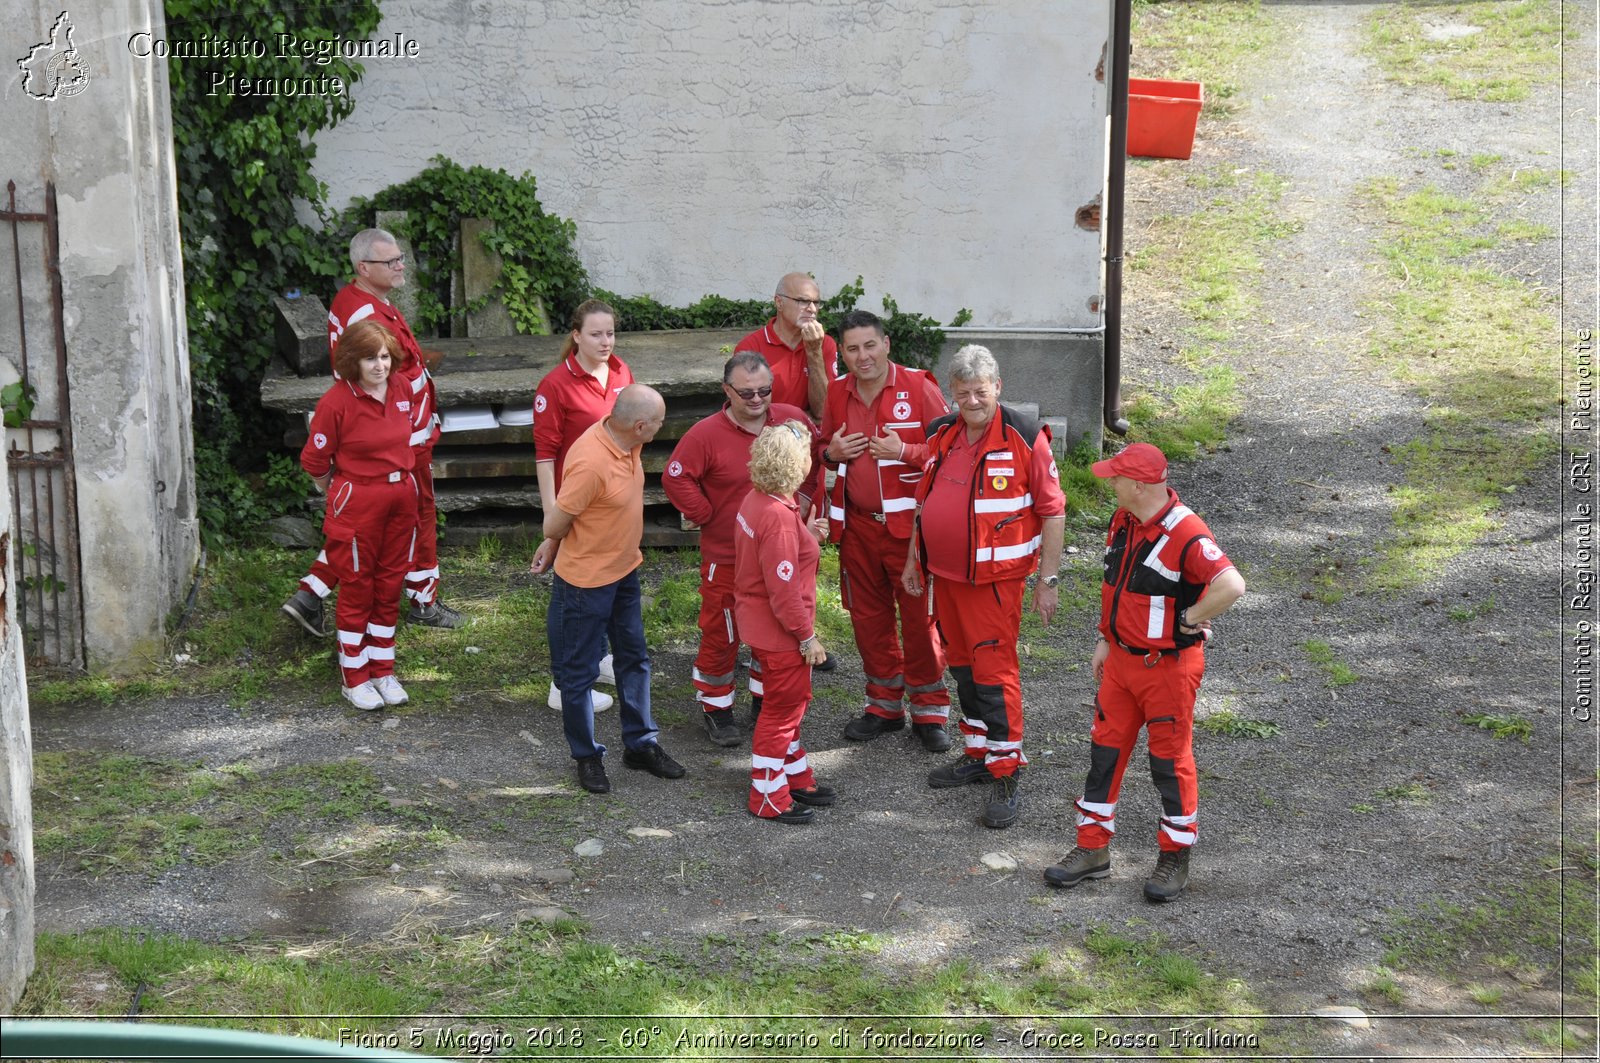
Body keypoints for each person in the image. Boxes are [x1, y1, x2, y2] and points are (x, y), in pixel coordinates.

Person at [1044, 443, 1246, 902]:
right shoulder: (1124, 520)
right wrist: (1104, 639)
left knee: (1169, 763)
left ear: (1138, 484)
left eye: (1115, 476)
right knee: (1104, 756)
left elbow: (1232, 584)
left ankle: (1175, 856)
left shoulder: (1187, 531)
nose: (1108, 481)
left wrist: (1192, 618)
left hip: (1168, 669)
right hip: (1120, 662)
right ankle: (1092, 850)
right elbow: (1115, 585)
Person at [901, 344, 1066, 829]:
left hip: (995, 584)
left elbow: (1053, 510)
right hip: (946, 580)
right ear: (951, 393)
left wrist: (1048, 580)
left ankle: (1007, 768)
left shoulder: (1024, 435)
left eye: (980, 391)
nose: (971, 401)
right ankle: (977, 752)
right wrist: (915, 558)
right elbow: (922, 501)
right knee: (963, 669)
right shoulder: (941, 433)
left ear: (998, 387)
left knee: (994, 676)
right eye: (962, 392)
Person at [281, 227, 464, 636]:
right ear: (364, 267)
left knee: (370, 525)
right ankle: (423, 602)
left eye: (401, 258)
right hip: (397, 440)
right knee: (414, 519)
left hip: (394, 435)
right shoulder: (363, 313)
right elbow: (375, 380)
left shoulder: (364, 301)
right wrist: (403, 428)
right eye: (391, 261)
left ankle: (310, 594)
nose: (401, 266)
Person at [663, 352, 824, 747]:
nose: (757, 399)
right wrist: (708, 514)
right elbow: (675, 477)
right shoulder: (705, 434)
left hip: (777, 553)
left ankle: (764, 699)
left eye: (765, 391)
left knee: (773, 631)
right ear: (727, 391)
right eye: (747, 392)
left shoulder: (790, 420)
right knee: (722, 633)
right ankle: (716, 708)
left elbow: (814, 460)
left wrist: (802, 502)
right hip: (727, 558)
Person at [530, 384, 685, 795]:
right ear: (639, 425)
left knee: (634, 659)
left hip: (623, 572)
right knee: (577, 675)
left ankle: (640, 745)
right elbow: (554, 523)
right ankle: (587, 757)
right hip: (584, 584)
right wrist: (553, 543)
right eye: (658, 422)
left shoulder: (627, 441)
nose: (661, 427)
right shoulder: (591, 461)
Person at [821, 310, 952, 752]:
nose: (863, 356)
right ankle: (884, 706)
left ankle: (930, 711)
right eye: (852, 348)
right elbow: (824, 448)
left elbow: (951, 452)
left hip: (909, 533)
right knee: (868, 620)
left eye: (870, 345)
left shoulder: (919, 387)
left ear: (887, 344)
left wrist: (907, 450)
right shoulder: (838, 392)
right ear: (841, 352)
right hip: (857, 527)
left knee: (919, 621)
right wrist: (831, 452)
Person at [298, 320, 418, 710]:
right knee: (357, 586)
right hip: (358, 500)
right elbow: (314, 460)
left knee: (388, 585)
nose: (380, 366)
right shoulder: (337, 401)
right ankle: (355, 677)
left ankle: (383, 670)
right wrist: (337, 488)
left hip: (401, 496)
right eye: (370, 358)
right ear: (353, 360)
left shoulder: (401, 387)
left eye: (384, 357)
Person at [532, 298, 635, 713]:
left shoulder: (622, 371)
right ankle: (564, 682)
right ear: (576, 336)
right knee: (572, 594)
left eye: (610, 332)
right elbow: (544, 456)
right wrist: (551, 520)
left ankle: (597, 657)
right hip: (575, 504)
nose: (605, 341)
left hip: (613, 506)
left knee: (612, 579)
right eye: (595, 334)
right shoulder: (555, 385)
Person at [734, 422, 835, 824]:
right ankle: (767, 794)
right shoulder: (777, 515)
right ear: (799, 464)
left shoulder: (759, 501)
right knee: (783, 710)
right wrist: (807, 637)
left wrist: (805, 534)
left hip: (760, 625)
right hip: (781, 633)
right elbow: (784, 590)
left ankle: (794, 777)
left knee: (785, 707)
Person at [733, 272, 835, 420]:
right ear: (779, 303)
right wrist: (796, 419)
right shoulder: (750, 346)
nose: (812, 309)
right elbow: (744, 411)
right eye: (803, 301)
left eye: (816, 302)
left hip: (810, 439)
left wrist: (814, 352)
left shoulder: (824, 343)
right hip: (765, 438)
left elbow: (823, 411)